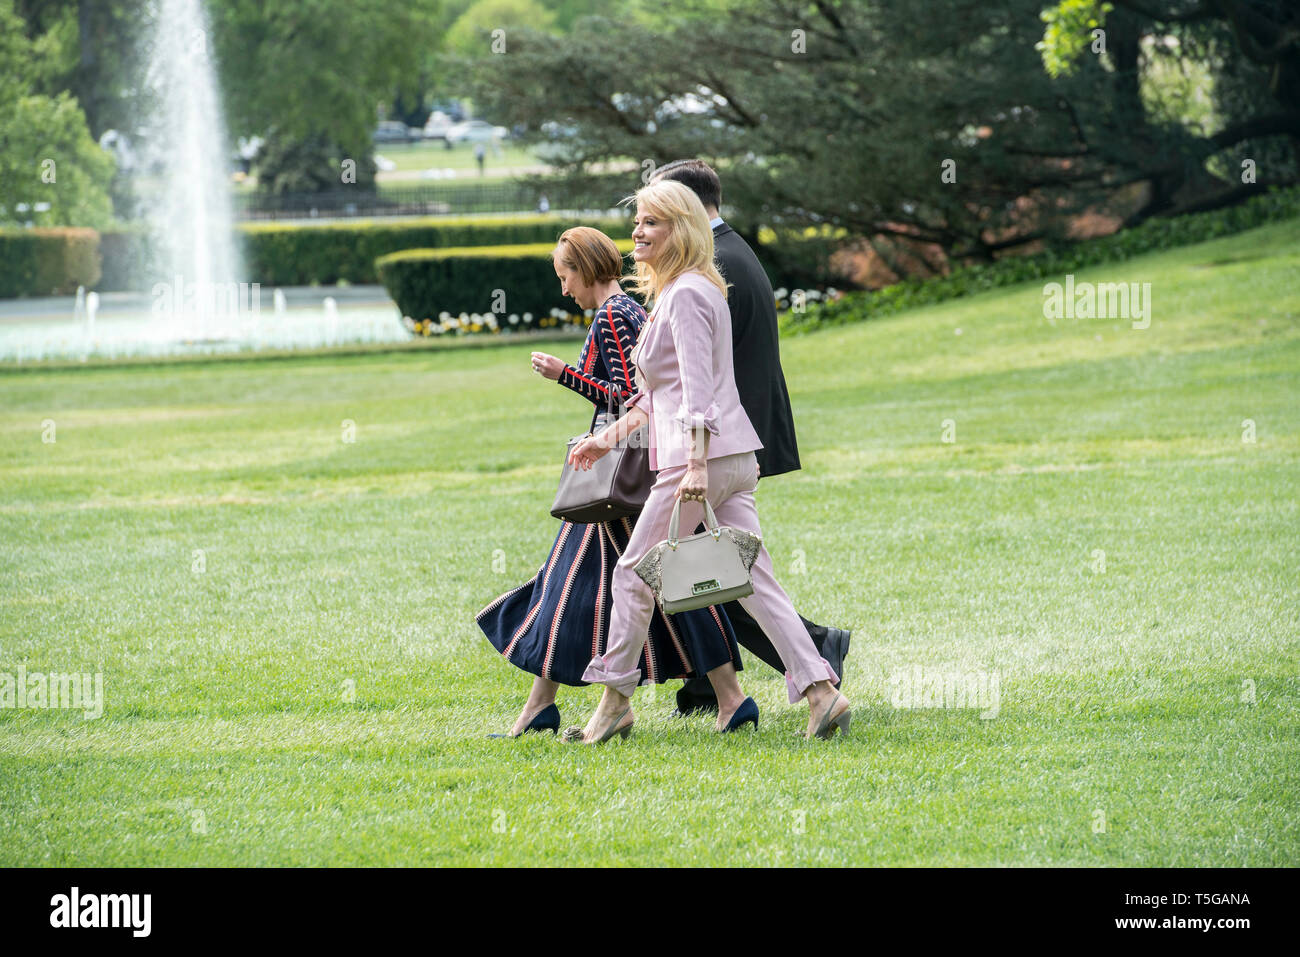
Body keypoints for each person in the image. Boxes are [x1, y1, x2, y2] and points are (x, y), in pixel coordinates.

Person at [567, 181, 852, 744]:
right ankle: (822, 693)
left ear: (682, 228)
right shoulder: (683, 291)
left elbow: (697, 392)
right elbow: (662, 394)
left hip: (701, 463)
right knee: (752, 577)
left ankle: (614, 704)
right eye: (638, 221)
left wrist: (694, 467)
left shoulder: (690, 294)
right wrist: (609, 439)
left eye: (652, 222)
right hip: (725, 457)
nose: (637, 232)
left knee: (633, 573)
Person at [475, 226, 745, 737]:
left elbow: (628, 396)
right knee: (643, 582)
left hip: (620, 475)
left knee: (644, 581)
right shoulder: (629, 311)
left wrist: (563, 375)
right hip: (632, 468)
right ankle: (727, 699)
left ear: (586, 268)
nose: (563, 289)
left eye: (566, 275)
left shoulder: (613, 315)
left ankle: (722, 698)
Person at [649, 159, 851, 717]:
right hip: (733, 438)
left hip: (719, 443)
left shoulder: (712, 267)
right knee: (712, 562)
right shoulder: (731, 255)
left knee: (687, 565)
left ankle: (811, 655)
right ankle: (713, 683)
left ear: (683, 207)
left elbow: (701, 371)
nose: (644, 226)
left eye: (656, 210)